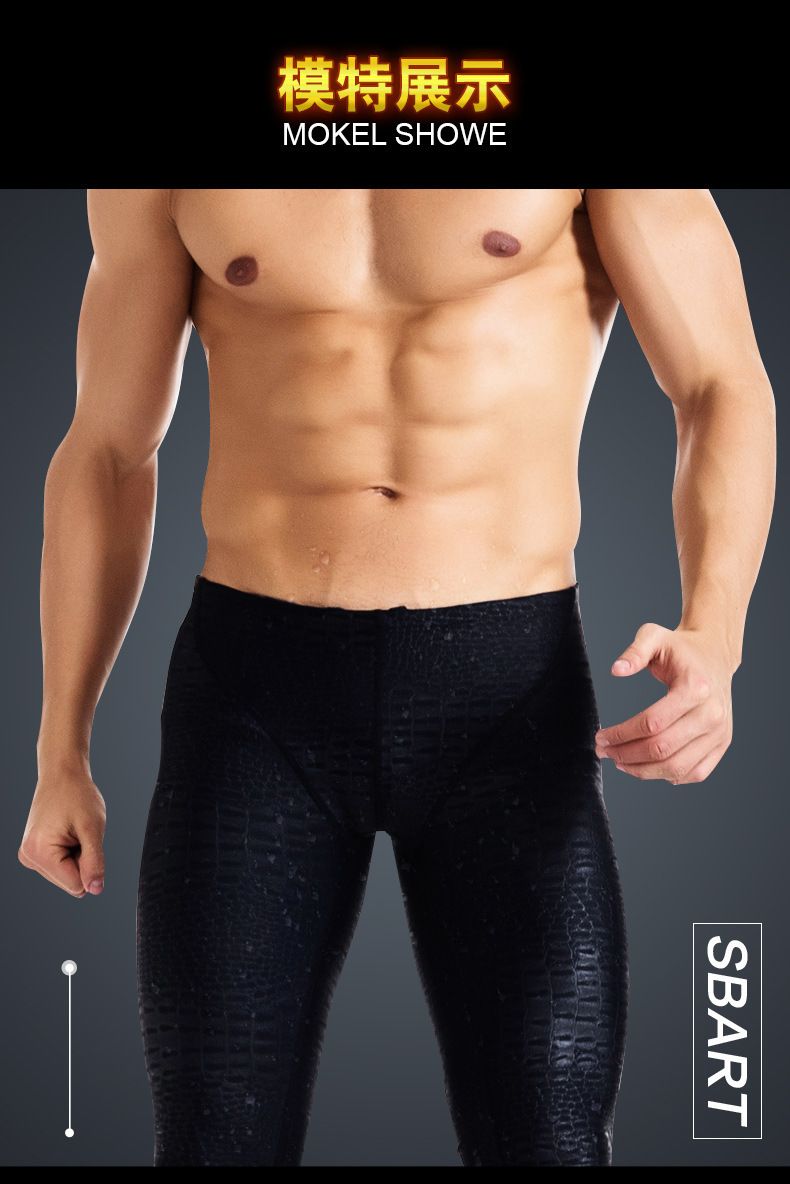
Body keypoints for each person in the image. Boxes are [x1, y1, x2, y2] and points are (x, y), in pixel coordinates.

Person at [18, 189, 775, 1167]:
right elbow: (110, 449)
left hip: (506, 700)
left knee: (550, 1142)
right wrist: (61, 748)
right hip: (254, 704)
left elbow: (719, 382)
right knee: (213, 1144)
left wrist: (716, 631)